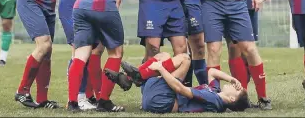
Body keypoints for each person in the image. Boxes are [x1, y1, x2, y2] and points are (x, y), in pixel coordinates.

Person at [105, 52, 250, 113]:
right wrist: (232, 79)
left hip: (162, 101)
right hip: (156, 97)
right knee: (164, 55)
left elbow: (181, 89)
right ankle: (134, 78)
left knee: (185, 59)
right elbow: (211, 72)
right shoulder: (216, 92)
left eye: (237, 89)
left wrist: (162, 70)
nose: (234, 86)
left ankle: (135, 78)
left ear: (231, 99)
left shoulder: (214, 100)